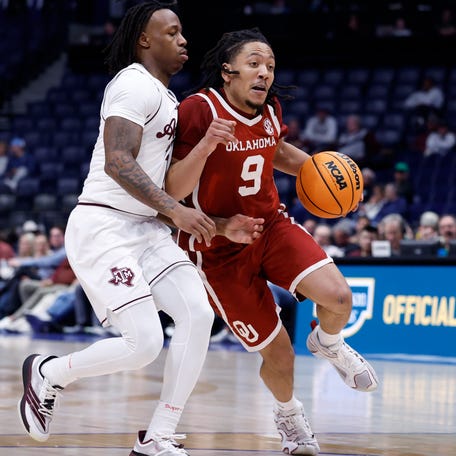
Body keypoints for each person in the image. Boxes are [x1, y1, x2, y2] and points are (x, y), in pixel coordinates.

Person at [17, 4, 263, 456]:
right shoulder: (132, 84)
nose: (183, 39)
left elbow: (162, 186)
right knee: (145, 343)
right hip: (104, 226)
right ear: (144, 41)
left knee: (198, 314)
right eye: (172, 32)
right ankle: (49, 373)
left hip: (147, 227)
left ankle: (158, 436)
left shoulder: (167, 99)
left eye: (182, 31)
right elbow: (118, 162)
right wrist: (176, 209)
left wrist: (221, 224)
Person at [169, 27, 379, 455]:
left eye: (269, 65)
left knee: (339, 298)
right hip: (217, 250)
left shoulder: (270, 109)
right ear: (227, 71)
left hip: (271, 226)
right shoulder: (197, 111)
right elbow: (169, 189)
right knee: (280, 356)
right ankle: (289, 416)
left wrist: (335, 183)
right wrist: (223, 221)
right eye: (254, 63)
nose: (264, 72)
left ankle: (329, 342)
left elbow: (275, 152)